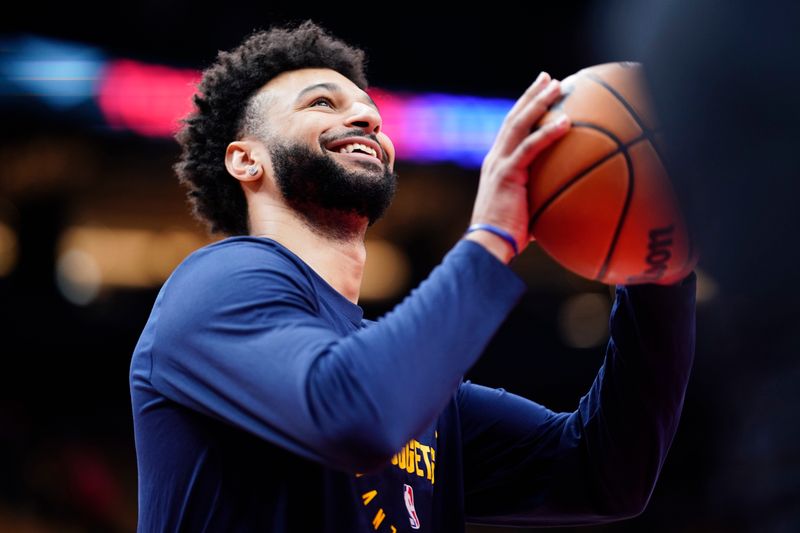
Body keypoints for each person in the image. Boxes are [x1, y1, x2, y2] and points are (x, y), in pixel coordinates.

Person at [129, 20, 698, 532]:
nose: (366, 116)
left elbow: (606, 474)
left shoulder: (411, 391)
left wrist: (658, 259)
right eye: (321, 103)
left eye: (368, 108)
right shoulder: (214, 285)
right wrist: (493, 238)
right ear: (245, 160)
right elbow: (354, 412)